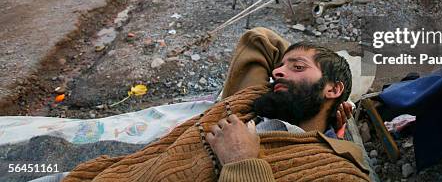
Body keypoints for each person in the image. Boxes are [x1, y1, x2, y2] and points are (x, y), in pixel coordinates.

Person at [64, 28, 369, 182]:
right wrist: (332, 127)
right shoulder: (255, 101)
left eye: (297, 67)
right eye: (281, 66)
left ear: (333, 89)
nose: (278, 71)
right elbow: (260, 38)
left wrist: (241, 162)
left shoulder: (336, 170)